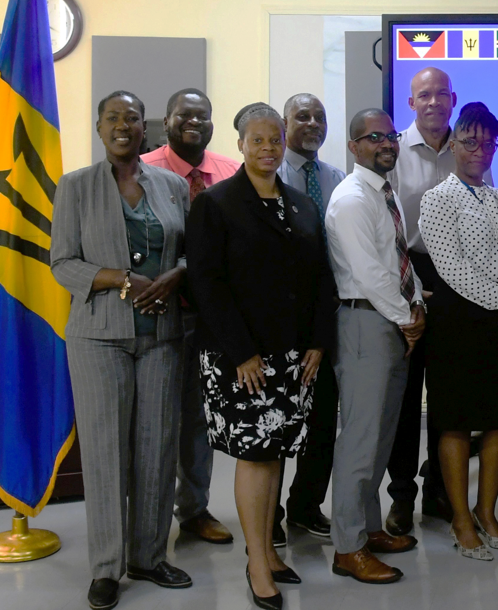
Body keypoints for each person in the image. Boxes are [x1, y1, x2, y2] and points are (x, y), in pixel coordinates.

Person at [187, 104, 336, 610]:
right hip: (241, 358)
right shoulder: (216, 204)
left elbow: (320, 277)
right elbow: (207, 284)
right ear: (241, 145)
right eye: (258, 140)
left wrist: (317, 341)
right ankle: (256, 563)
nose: (268, 148)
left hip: (294, 356)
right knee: (254, 456)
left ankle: (269, 553)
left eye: (275, 140)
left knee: (275, 454)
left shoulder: (301, 204)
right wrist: (242, 353)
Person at [52, 91, 193, 610]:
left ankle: (149, 557)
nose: (123, 125)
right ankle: (107, 568)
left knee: (158, 447)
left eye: (132, 118)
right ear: (99, 127)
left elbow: (193, 253)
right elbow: (62, 262)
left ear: (143, 128)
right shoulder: (76, 187)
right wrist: (120, 279)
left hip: (162, 335)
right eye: (113, 117)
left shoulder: (173, 186)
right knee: (106, 451)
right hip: (98, 336)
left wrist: (176, 275)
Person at [419, 102, 498, 561]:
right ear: (454, 144)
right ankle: (461, 519)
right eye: (470, 141)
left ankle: (487, 512)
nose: (480, 150)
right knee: (457, 421)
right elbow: (453, 270)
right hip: (457, 320)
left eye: (488, 142)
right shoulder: (437, 198)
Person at [383, 66, 487, 533]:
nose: (433, 102)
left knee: (449, 393)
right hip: (406, 270)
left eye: (441, 94)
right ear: (411, 103)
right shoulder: (392, 150)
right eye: (423, 95)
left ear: (453, 99)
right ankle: (401, 495)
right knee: (406, 395)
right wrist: (403, 285)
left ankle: (440, 492)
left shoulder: (467, 147)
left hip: (457, 279)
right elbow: (381, 222)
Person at [325, 108, 424, 583]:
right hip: (366, 322)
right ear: (354, 147)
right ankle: (348, 547)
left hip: (391, 320)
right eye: (374, 137)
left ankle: (367, 529)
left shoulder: (384, 191)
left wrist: (416, 303)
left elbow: (398, 259)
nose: (386, 143)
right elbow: (368, 274)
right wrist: (409, 319)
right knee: (360, 441)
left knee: (381, 435)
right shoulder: (351, 199)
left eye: (391, 135)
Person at [141, 87, 239, 546]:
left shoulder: (231, 172)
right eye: (184, 115)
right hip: (158, 316)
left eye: (203, 116)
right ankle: (148, 516)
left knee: (199, 419)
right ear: (166, 121)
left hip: (213, 319)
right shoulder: (143, 170)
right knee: (156, 419)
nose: (194, 122)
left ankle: (194, 510)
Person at [273, 93, 347, 544]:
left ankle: (306, 505)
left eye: (320, 116)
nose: (313, 123)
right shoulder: (269, 176)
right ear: (285, 124)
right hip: (283, 316)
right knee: (280, 420)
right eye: (303, 116)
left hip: (328, 312)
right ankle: (269, 512)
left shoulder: (336, 179)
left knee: (321, 419)